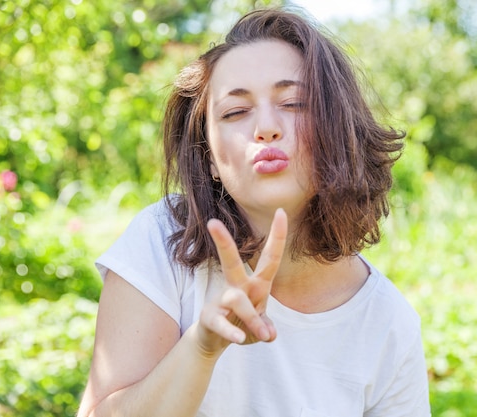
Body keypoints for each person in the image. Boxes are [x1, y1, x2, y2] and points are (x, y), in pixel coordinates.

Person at [77, 7, 430, 417]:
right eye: (235, 112)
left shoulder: (388, 324)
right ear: (209, 157)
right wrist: (202, 346)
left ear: (339, 127)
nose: (265, 126)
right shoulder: (160, 239)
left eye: (294, 102)